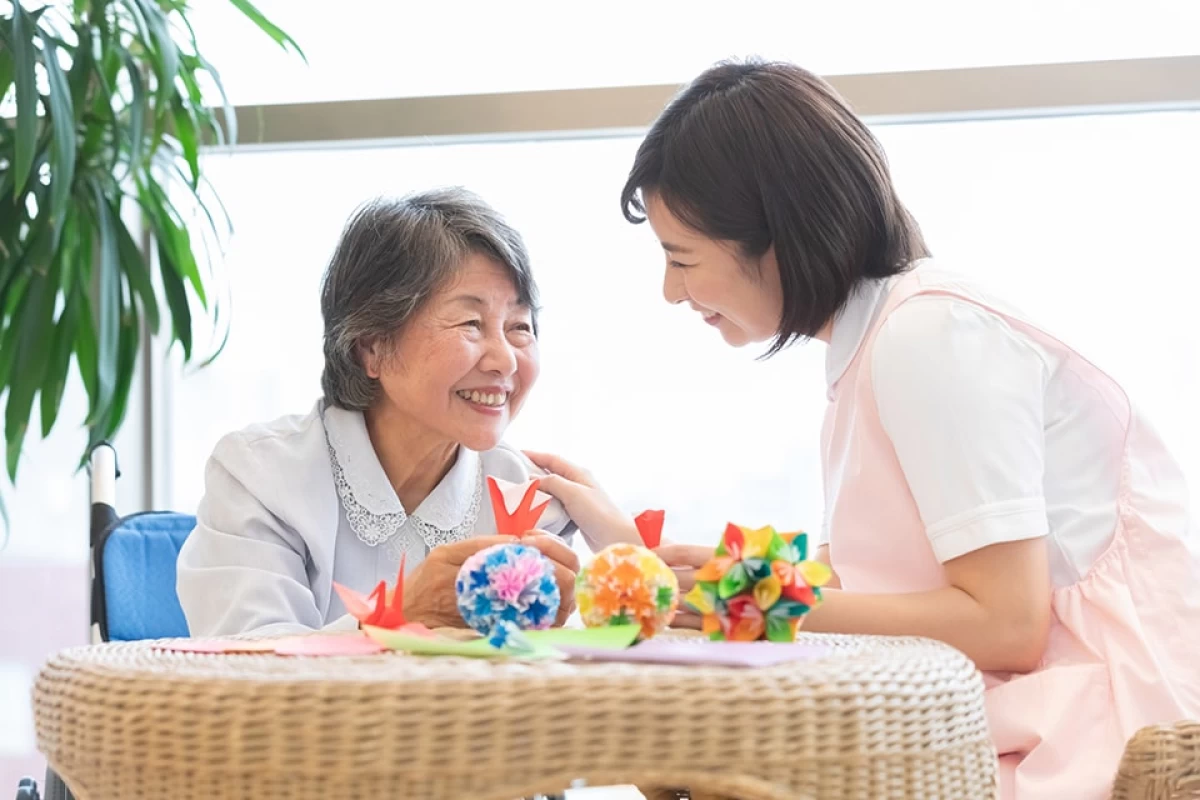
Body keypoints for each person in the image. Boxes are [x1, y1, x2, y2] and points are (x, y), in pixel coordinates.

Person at [528, 59, 1200, 799]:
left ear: (778, 234)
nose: (670, 292)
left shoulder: (927, 337)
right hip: (1024, 695)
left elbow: (1009, 622)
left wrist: (745, 602)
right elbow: (909, 578)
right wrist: (742, 581)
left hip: (1091, 715)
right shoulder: (880, 341)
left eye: (681, 258)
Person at [177, 187, 608, 637]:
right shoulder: (259, 476)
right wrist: (404, 615)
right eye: (471, 324)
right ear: (372, 347)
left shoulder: (532, 501)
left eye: (520, 327)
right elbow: (237, 671)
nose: (505, 360)